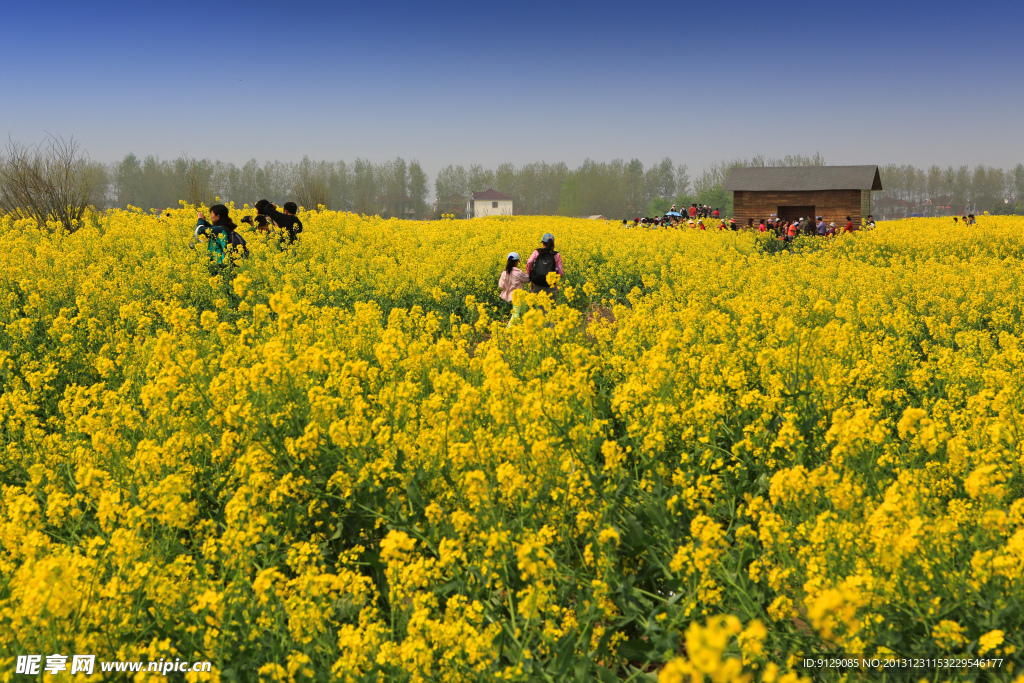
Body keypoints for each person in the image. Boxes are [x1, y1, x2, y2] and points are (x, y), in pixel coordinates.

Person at [526, 233, 564, 299]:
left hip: (537, 282)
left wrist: (530, 274)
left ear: (543, 243)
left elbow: (529, 262)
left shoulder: (537, 252)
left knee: (537, 306)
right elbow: (561, 272)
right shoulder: (556, 255)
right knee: (551, 306)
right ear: (553, 243)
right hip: (551, 285)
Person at [499, 251, 530, 326]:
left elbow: (501, 285)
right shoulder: (518, 273)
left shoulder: (504, 273)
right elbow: (527, 280)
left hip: (511, 295)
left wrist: (508, 287)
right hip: (519, 296)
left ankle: (522, 328)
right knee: (516, 314)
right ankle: (508, 331)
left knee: (523, 313)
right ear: (516, 262)